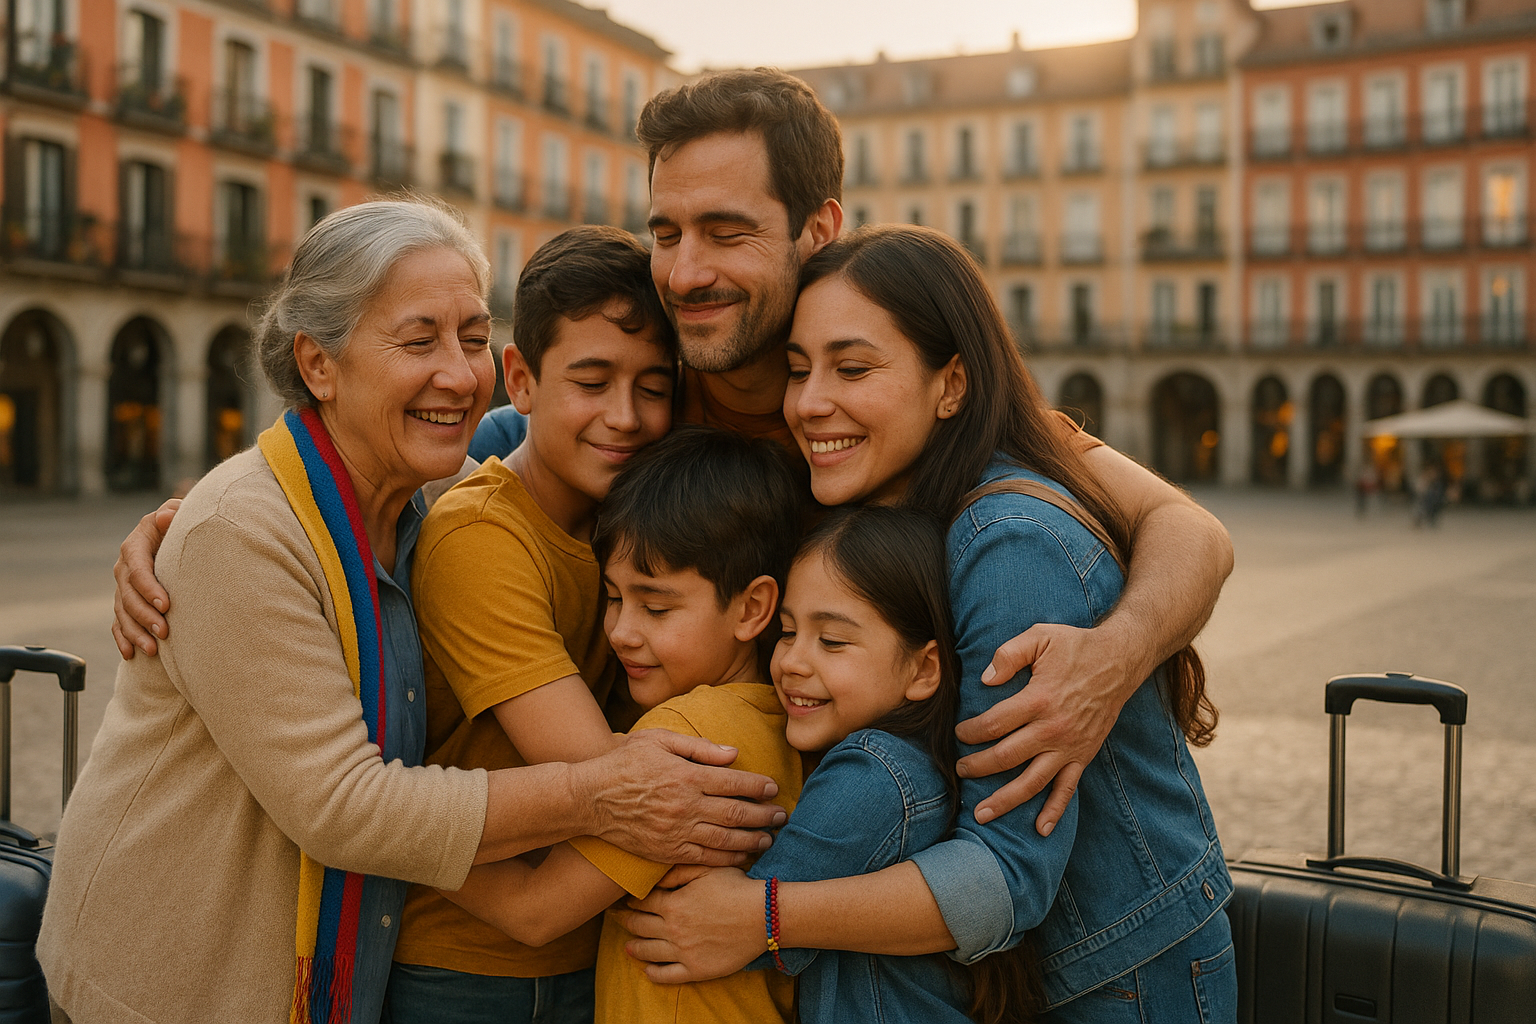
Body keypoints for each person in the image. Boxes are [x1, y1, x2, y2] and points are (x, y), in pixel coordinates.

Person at [111, 66, 1234, 841]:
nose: (685, 270)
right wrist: (204, 516)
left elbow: (1190, 529)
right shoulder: (647, 404)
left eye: (728, 232)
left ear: (819, 227)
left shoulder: (891, 382)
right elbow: (451, 465)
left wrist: (1113, 658)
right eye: (666, 231)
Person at [36, 200, 784, 1024]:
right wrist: (605, 791)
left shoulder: (430, 488)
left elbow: (535, 451)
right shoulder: (240, 531)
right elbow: (344, 806)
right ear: (319, 367)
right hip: (174, 979)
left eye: (470, 338)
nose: (460, 375)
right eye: (419, 340)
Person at [619, 227, 1235, 1021]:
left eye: (853, 368)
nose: (809, 403)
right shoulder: (891, 495)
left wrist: (762, 917)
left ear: (951, 385)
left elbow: (1009, 874)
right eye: (799, 370)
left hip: (1124, 980)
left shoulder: (1008, 543)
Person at [383, 225, 686, 1024]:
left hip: (591, 950)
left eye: (653, 387)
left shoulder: (628, 524)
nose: (625, 416)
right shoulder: (480, 536)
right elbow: (610, 781)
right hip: (467, 972)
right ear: (520, 378)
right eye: (591, 381)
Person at [437, 426, 807, 1024]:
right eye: (613, 597)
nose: (622, 632)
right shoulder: (780, 718)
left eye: (657, 607)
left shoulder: (692, 733)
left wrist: (394, 832)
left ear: (753, 608)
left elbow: (535, 911)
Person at [747, 503, 1044, 1024]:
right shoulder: (923, 762)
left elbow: (743, 934)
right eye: (788, 632)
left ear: (923, 669)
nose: (791, 660)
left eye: (832, 641)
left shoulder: (872, 776)